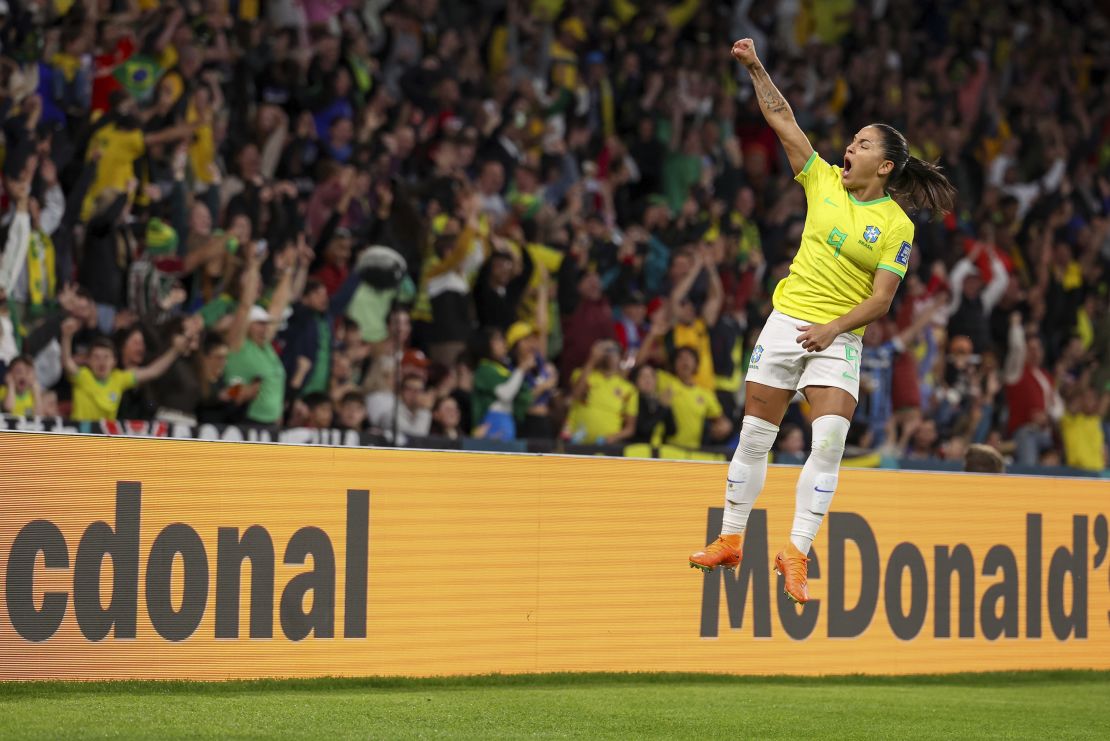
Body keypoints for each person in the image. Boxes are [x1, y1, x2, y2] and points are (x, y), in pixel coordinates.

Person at [689, 38, 956, 605]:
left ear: (884, 165)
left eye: (862, 145)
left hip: (838, 338)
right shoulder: (821, 180)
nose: (848, 148)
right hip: (787, 322)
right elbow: (782, 119)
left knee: (829, 439)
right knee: (755, 436)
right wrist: (756, 67)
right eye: (851, 140)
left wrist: (834, 329)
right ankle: (731, 539)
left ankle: (795, 551)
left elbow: (883, 300)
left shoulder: (895, 226)